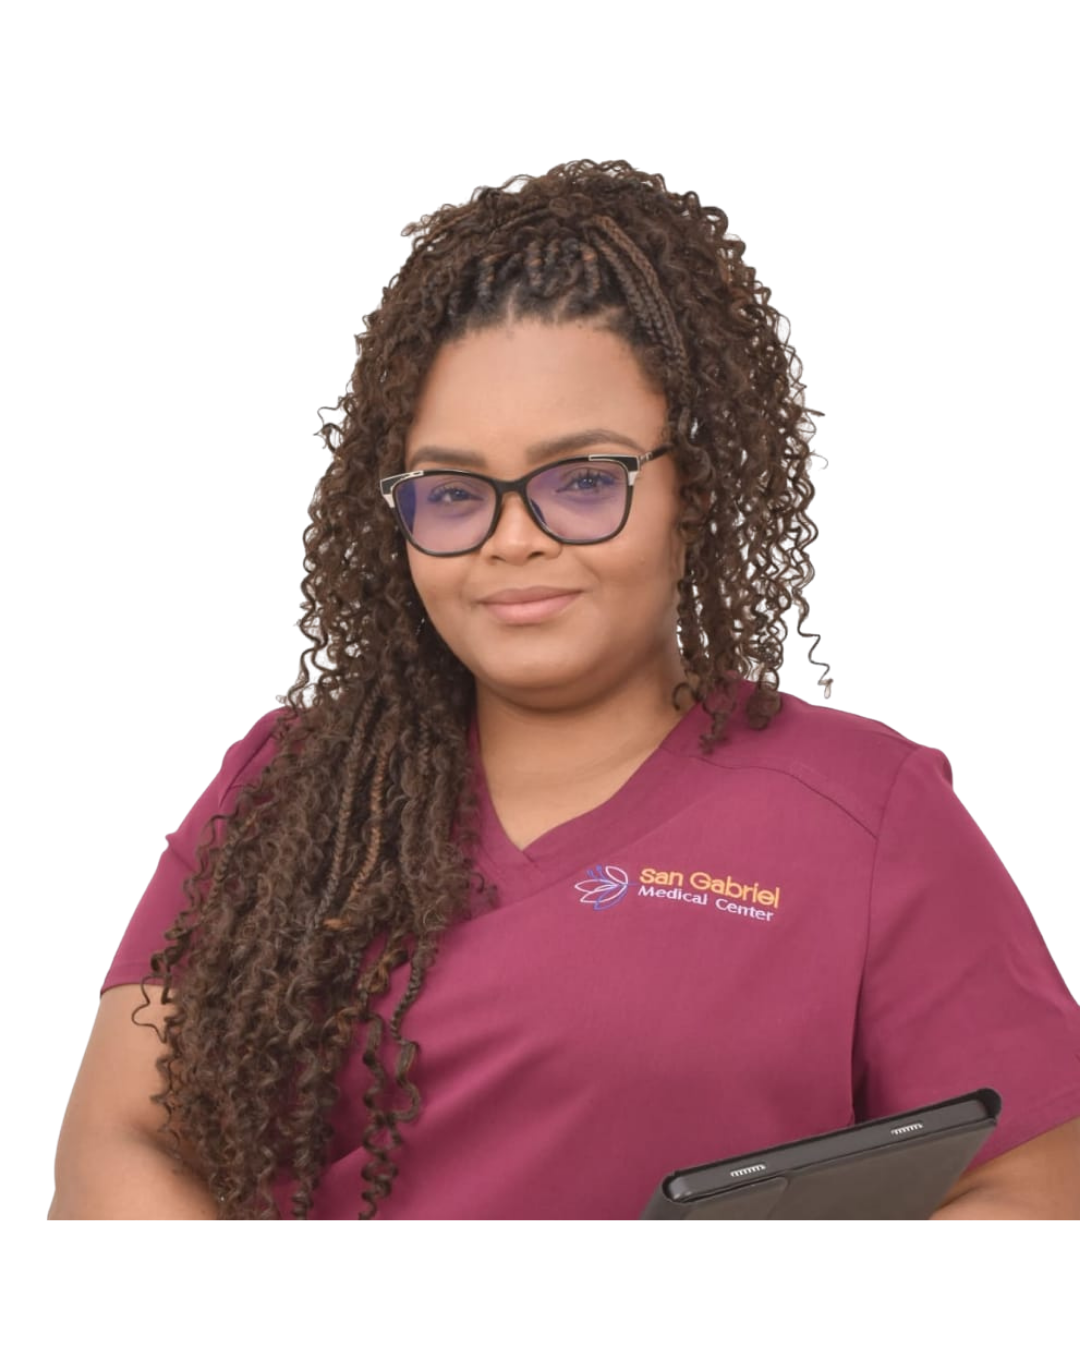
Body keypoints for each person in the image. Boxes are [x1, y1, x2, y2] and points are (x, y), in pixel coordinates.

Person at [50, 160, 1080, 1221]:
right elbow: (116, 1143)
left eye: (583, 481)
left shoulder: (872, 812)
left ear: (696, 486)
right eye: (453, 494)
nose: (513, 541)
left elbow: (1027, 1182)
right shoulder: (287, 786)